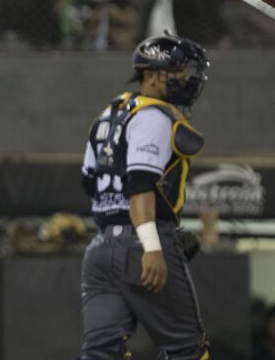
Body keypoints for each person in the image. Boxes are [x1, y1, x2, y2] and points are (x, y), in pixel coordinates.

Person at [77, 32, 211, 359]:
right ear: (149, 76)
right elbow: (140, 183)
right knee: (188, 350)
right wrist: (151, 244)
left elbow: (88, 181)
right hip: (140, 242)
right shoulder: (153, 115)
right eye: (176, 72)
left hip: (100, 249)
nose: (184, 79)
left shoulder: (109, 114)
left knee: (100, 353)